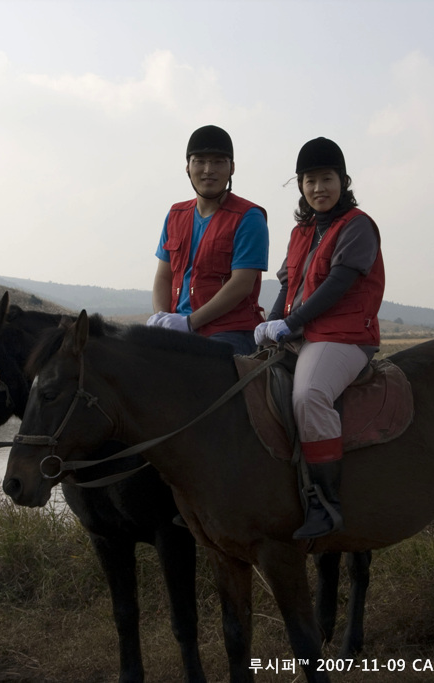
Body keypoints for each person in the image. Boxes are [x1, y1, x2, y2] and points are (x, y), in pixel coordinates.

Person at [255, 137, 385, 539]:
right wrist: (270, 324)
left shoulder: (358, 226)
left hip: (343, 337)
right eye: (309, 181)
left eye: (326, 179)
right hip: (304, 334)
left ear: (343, 181)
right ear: (300, 186)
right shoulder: (302, 231)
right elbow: (287, 287)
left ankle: (326, 504)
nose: (318, 188)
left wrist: (290, 326)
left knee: (308, 395)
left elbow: (337, 286)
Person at [148, 125, 269, 355]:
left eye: (218, 162)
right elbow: (164, 276)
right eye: (199, 161)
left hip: (229, 331)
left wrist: (190, 323)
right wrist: (161, 318)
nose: (207, 170)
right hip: (179, 329)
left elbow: (242, 284)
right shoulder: (175, 215)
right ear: (187, 166)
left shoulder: (249, 217)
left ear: (232, 168)